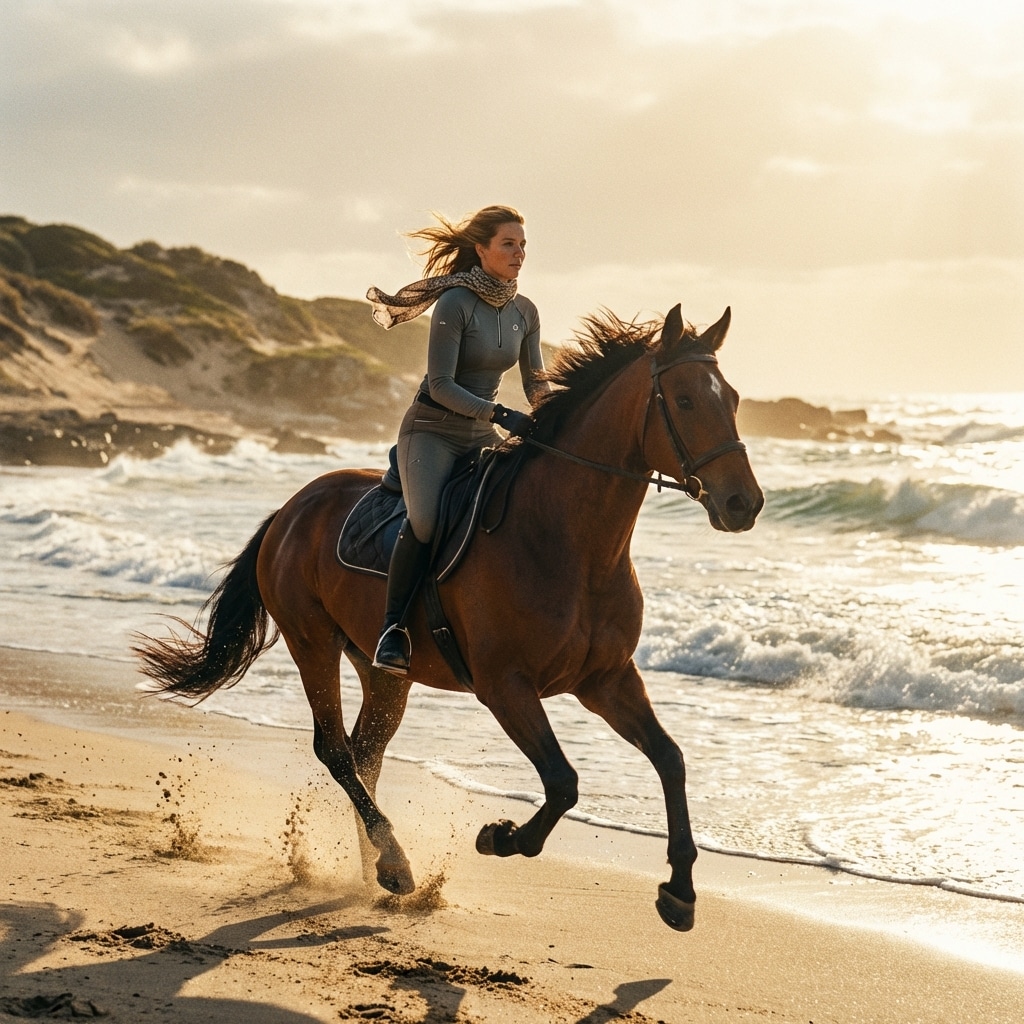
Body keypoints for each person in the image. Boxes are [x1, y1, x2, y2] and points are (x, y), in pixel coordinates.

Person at [365, 205, 548, 676]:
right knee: (425, 521)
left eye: (523, 245)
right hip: (431, 431)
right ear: (481, 249)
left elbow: (536, 383)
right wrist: (500, 413)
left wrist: (558, 409)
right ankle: (393, 630)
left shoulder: (525, 311)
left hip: (480, 433)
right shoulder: (455, 303)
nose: (519, 253)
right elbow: (442, 384)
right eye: (508, 244)